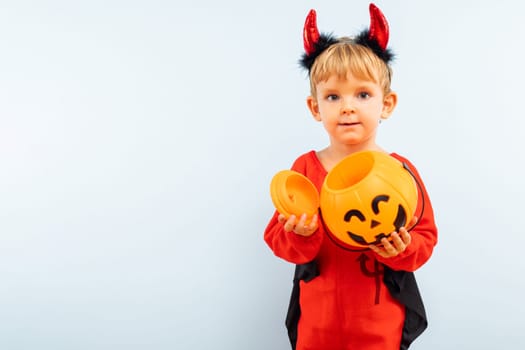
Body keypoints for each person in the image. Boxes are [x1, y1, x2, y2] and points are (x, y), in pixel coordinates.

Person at [263, 4, 438, 350]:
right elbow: (276, 238)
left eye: (362, 94)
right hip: (317, 326)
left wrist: (402, 250)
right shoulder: (305, 170)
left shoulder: (400, 172)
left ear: (386, 104)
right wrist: (300, 234)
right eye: (332, 96)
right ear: (315, 108)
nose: (348, 106)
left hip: (380, 327)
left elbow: (425, 239)